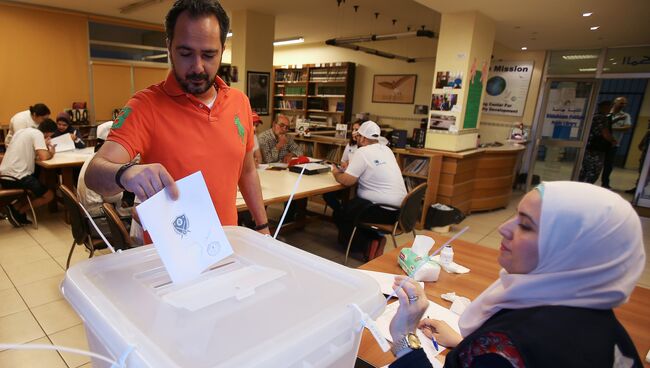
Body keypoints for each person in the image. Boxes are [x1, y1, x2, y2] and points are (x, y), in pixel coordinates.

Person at [388, 181, 644, 367]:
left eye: (525, 225)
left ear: (570, 249)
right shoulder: (592, 313)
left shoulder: (505, 346)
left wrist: (405, 336)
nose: (503, 228)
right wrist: (466, 345)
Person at [84, 0, 269, 235]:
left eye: (209, 54)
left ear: (222, 49)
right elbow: (94, 172)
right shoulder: (145, 106)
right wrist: (125, 174)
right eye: (185, 53)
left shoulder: (239, 102)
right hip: (172, 256)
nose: (198, 67)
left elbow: (247, 170)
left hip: (227, 245)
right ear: (169, 47)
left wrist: (263, 227)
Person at [331, 120, 407, 251]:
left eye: (358, 135)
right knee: (353, 206)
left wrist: (336, 173)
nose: (356, 138)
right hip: (400, 211)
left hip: (382, 210)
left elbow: (347, 181)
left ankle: (367, 245)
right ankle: (373, 240)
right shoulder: (387, 150)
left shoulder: (362, 152)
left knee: (341, 212)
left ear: (364, 138)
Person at [0, 119, 57, 227]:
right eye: (50, 136)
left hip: (5, 175)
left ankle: (15, 207)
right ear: (48, 133)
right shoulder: (38, 134)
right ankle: (18, 211)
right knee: (49, 196)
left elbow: (31, 152)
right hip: (17, 176)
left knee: (35, 187)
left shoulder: (22, 131)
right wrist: (52, 153)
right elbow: (44, 156)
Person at [323, 120, 361, 212]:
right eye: (353, 129)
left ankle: (343, 213)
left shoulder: (365, 148)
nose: (354, 132)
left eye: (357, 130)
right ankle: (341, 211)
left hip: (356, 178)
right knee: (327, 193)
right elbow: (343, 162)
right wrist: (344, 164)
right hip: (346, 174)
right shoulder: (350, 144)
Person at [579, 101, 616, 184]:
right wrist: (613, 141)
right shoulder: (602, 118)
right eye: (609, 107)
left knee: (585, 169)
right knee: (593, 171)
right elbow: (605, 133)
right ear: (605, 107)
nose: (610, 109)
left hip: (588, 147)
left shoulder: (593, 116)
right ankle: (585, 189)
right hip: (596, 149)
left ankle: (579, 186)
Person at [601, 96, 632, 189]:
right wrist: (608, 128)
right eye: (621, 103)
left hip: (613, 144)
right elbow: (600, 125)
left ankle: (605, 183)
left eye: (625, 103)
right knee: (596, 163)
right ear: (615, 102)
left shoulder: (625, 116)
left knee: (608, 165)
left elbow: (627, 127)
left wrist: (609, 128)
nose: (623, 105)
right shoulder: (606, 113)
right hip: (600, 143)